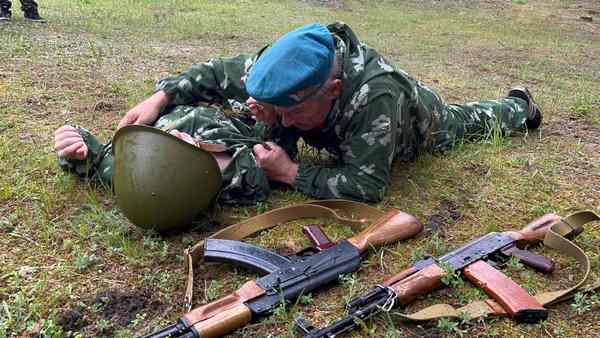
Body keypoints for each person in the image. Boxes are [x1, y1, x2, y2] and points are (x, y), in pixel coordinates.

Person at [54, 22, 542, 205]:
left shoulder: (375, 100)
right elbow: (214, 73)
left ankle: (520, 107)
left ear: (331, 89)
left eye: (290, 113)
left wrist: (290, 172)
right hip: (332, 113)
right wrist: (161, 98)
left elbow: (365, 187)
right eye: (271, 109)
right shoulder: (278, 70)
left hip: (418, 123)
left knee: (472, 120)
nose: (278, 122)